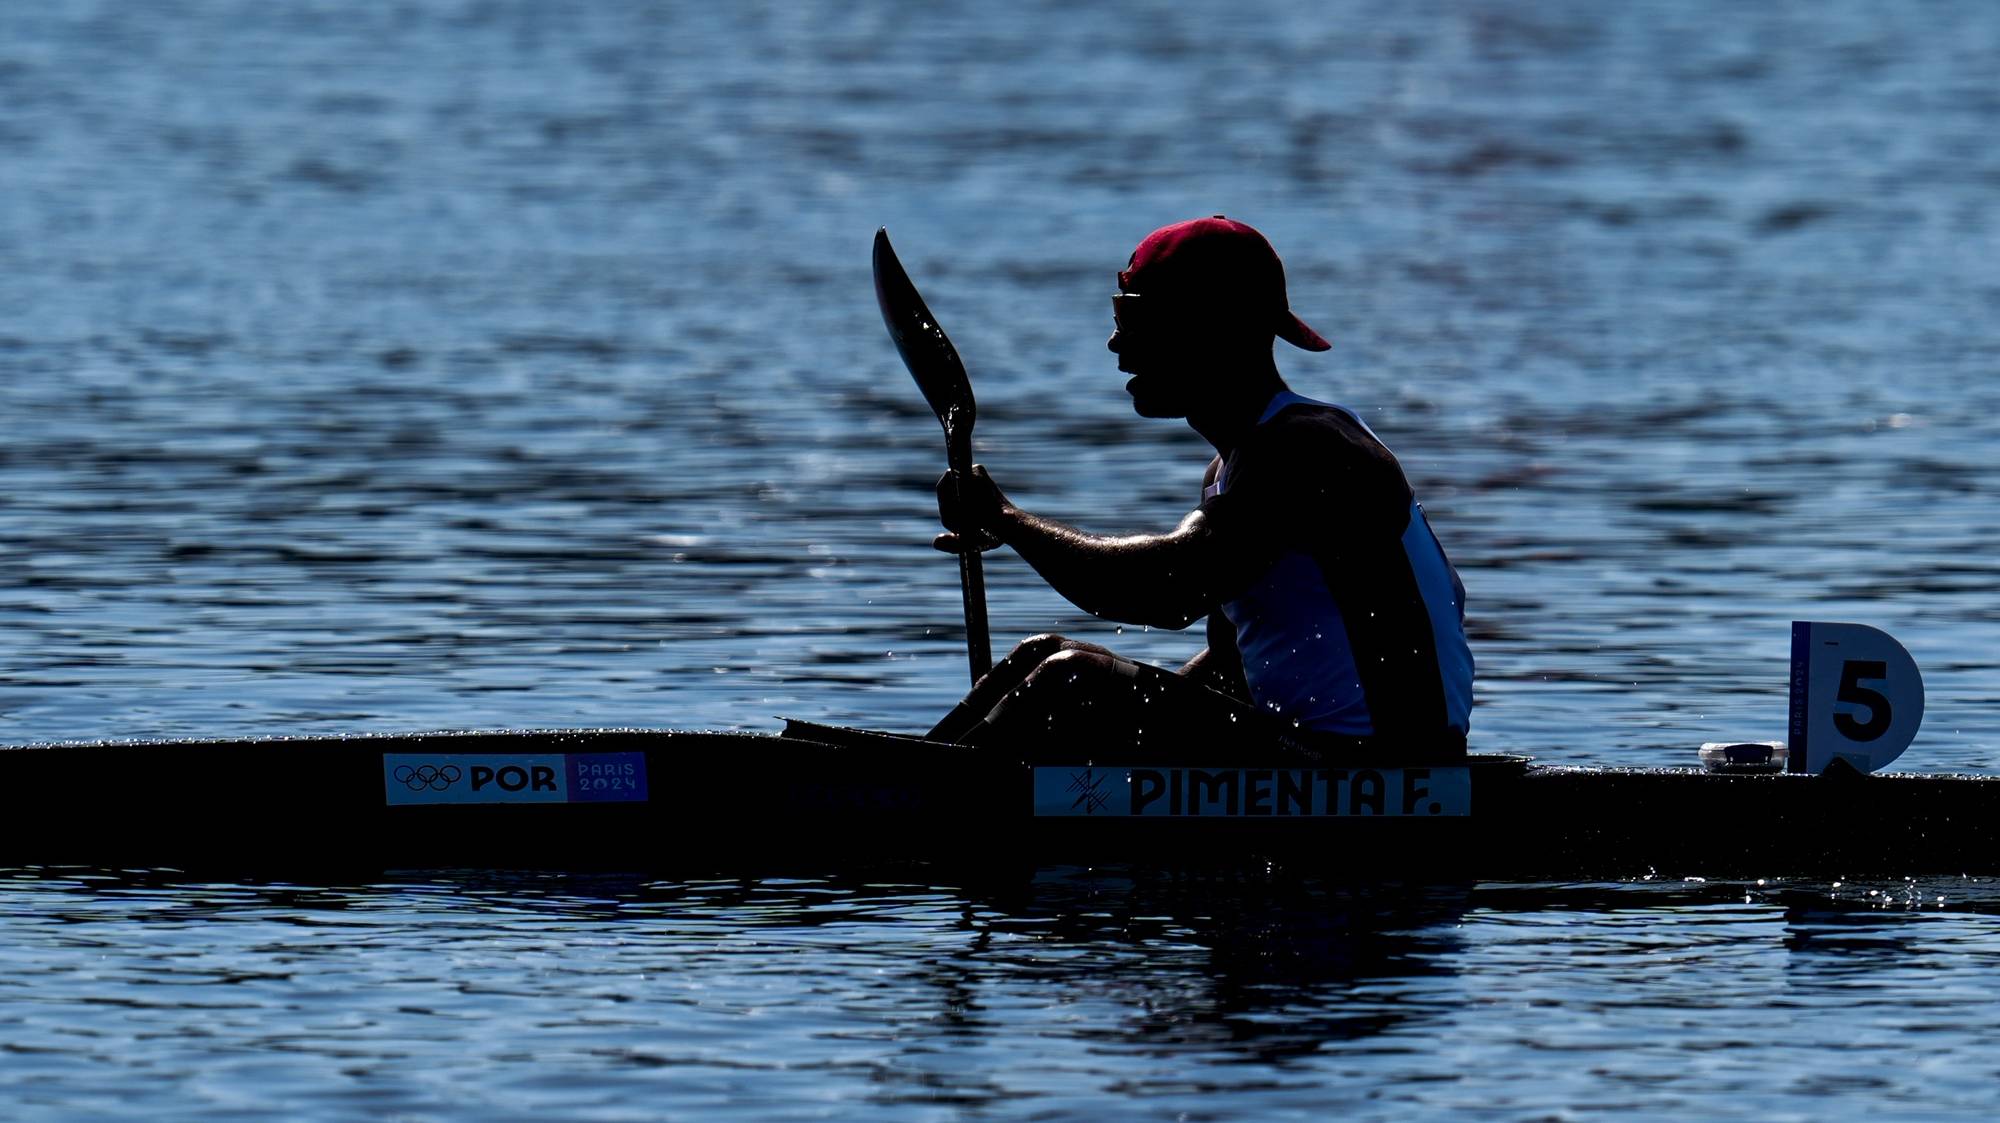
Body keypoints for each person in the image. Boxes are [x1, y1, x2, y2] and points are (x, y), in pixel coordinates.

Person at [929, 216, 1472, 759]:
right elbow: (1228, 670)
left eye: (1134, 317)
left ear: (1215, 329)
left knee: (1072, 680)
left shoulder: (1306, 449)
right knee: (1042, 656)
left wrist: (1006, 520)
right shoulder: (1235, 467)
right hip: (1326, 758)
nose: (1116, 342)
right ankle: (914, 777)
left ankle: (908, 801)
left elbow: (1167, 592)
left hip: (1388, 773)